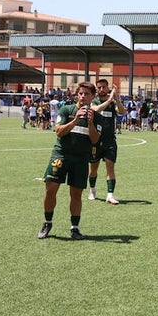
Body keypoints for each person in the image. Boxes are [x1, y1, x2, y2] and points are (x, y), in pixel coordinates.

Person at [38, 82, 102, 240]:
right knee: (51, 188)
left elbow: (95, 139)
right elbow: (58, 132)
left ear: (93, 96)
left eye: (87, 94)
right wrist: (75, 120)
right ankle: (47, 222)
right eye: (80, 93)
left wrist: (90, 122)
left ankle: (74, 228)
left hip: (81, 158)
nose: (83, 96)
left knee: (76, 193)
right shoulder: (66, 109)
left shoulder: (97, 117)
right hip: (61, 154)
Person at [87, 79, 126, 204]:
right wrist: (109, 100)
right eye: (99, 87)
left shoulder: (112, 103)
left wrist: (117, 98)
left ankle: (110, 195)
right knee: (93, 167)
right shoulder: (93, 101)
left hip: (109, 140)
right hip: (95, 140)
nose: (101, 89)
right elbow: (95, 110)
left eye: (104, 87)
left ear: (108, 88)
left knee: (110, 165)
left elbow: (122, 112)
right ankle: (92, 190)